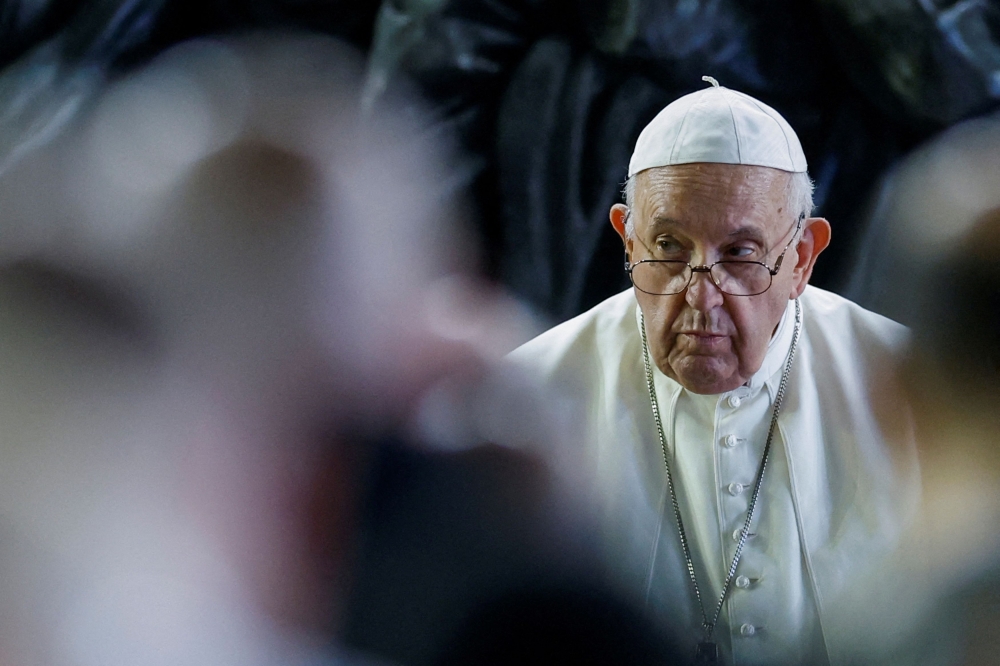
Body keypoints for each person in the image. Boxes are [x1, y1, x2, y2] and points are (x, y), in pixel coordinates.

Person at [509, 78, 922, 666]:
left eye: (740, 254)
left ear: (802, 258)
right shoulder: (527, 397)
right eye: (669, 247)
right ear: (628, 241)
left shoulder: (918, 389)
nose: (701, 297)